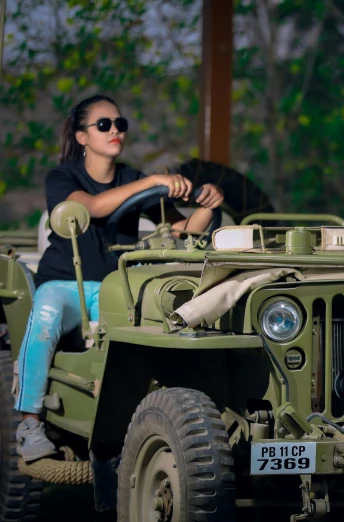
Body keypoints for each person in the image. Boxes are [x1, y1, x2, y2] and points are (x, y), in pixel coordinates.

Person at [15, 94, 225, 462]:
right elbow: (91, 207)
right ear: (82, 136)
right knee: (45, 315)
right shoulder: (63, 177)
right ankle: (30, 421)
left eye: (120, 124)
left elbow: (185, 231)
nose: (115, 131)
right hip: (67, 284)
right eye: (104, 125)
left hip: (118, 288)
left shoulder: (134, 178)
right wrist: (154, 182)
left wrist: (209, 205)